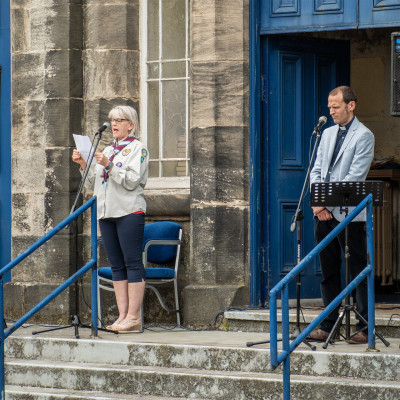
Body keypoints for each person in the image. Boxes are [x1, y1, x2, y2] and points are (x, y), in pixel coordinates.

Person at [72, 105, 149, 332]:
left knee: (132, 263)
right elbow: (92, 184)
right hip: (106, 212)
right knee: (116, 265)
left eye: (119, 120)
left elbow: (132, 181)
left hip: (128, 211)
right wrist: (83, 164)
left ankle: (133, 317)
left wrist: (107, 164)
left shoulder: (138, 149)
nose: (114, 124)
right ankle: (122, 316)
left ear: (131, 125)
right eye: (111, 120)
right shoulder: (108, 149)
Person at [308, 86, 374, 344]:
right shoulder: (326, 133)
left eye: (336, 106)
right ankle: (328, 326)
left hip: (349, 215)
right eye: (329, 106)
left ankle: (364, 327)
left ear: (351, 105)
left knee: (357, 270)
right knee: (328, 271)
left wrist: (327, 205)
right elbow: (315, 170)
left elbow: (354, 178)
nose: (331, 111)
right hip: (322, 214)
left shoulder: (364, 135)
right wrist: (317, 204)